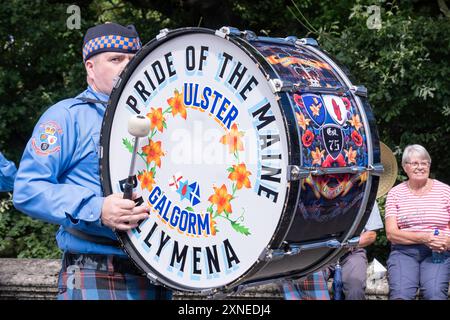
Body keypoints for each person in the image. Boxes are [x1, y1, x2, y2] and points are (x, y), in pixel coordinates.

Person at [13, 22, 171, 300]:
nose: (127, 66)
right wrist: (96, 208)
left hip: (156, 271)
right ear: (90, 67)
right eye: (115, 59)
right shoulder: (66, 117)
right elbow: (28, 189)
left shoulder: (157, 118)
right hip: (95, 270)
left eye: (133, 60)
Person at [385, 144, 450, 300]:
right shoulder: (395, 193)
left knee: (434, 293)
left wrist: (447, 241)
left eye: (424, 163)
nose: (420, 167)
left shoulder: (446, 191)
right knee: (400, 295)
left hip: (438, 252)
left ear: (429, 165)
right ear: (405, 167)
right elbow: (391, 233)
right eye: (414, 163)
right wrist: (424, 237)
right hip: (404, 252)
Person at [282, 203, 384, 300]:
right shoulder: (314, 195)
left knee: (355, 289)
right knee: (304, 280)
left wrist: (347, 244)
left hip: (351, 253)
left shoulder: (365, 192)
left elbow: (371, 235)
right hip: (319, 254)